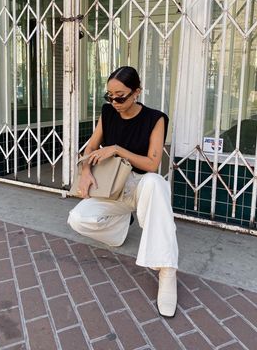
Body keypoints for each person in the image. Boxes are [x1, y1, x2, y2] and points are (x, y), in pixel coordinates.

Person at [68, 66, 179, 317]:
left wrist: (117, 149)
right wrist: (86, 171)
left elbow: (152, 164)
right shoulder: (107, 113)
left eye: (121, 96)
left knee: (156, 183)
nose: (114, 101)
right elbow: (92, 146)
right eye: (109, 95)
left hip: (140, 187)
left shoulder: (155, 118)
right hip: (111, 187)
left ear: (136, 92)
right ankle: (118, 230)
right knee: (77, 218)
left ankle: (166, 270)